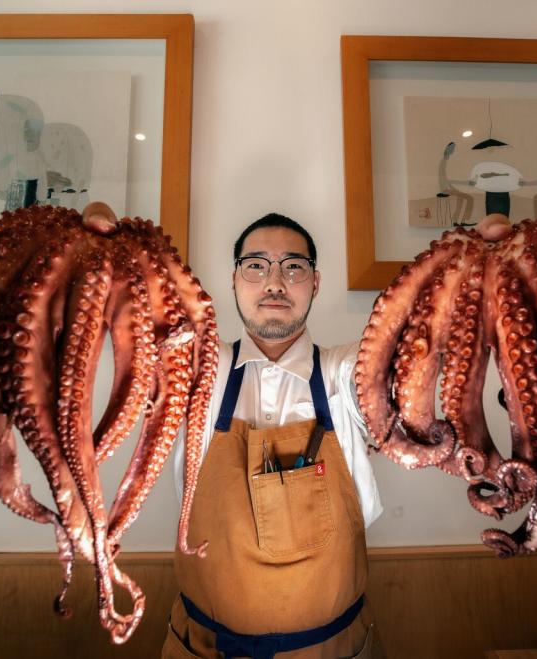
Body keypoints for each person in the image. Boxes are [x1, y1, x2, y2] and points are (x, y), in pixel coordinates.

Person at [162, 212, 512, 659]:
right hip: (203, 647)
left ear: (315, 281)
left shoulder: (349, 374)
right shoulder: (192, 373)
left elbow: (425, 334)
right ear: (233, 280)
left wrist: (472, 265)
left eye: (294, 266)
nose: (275, 281)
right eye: (256, 265)